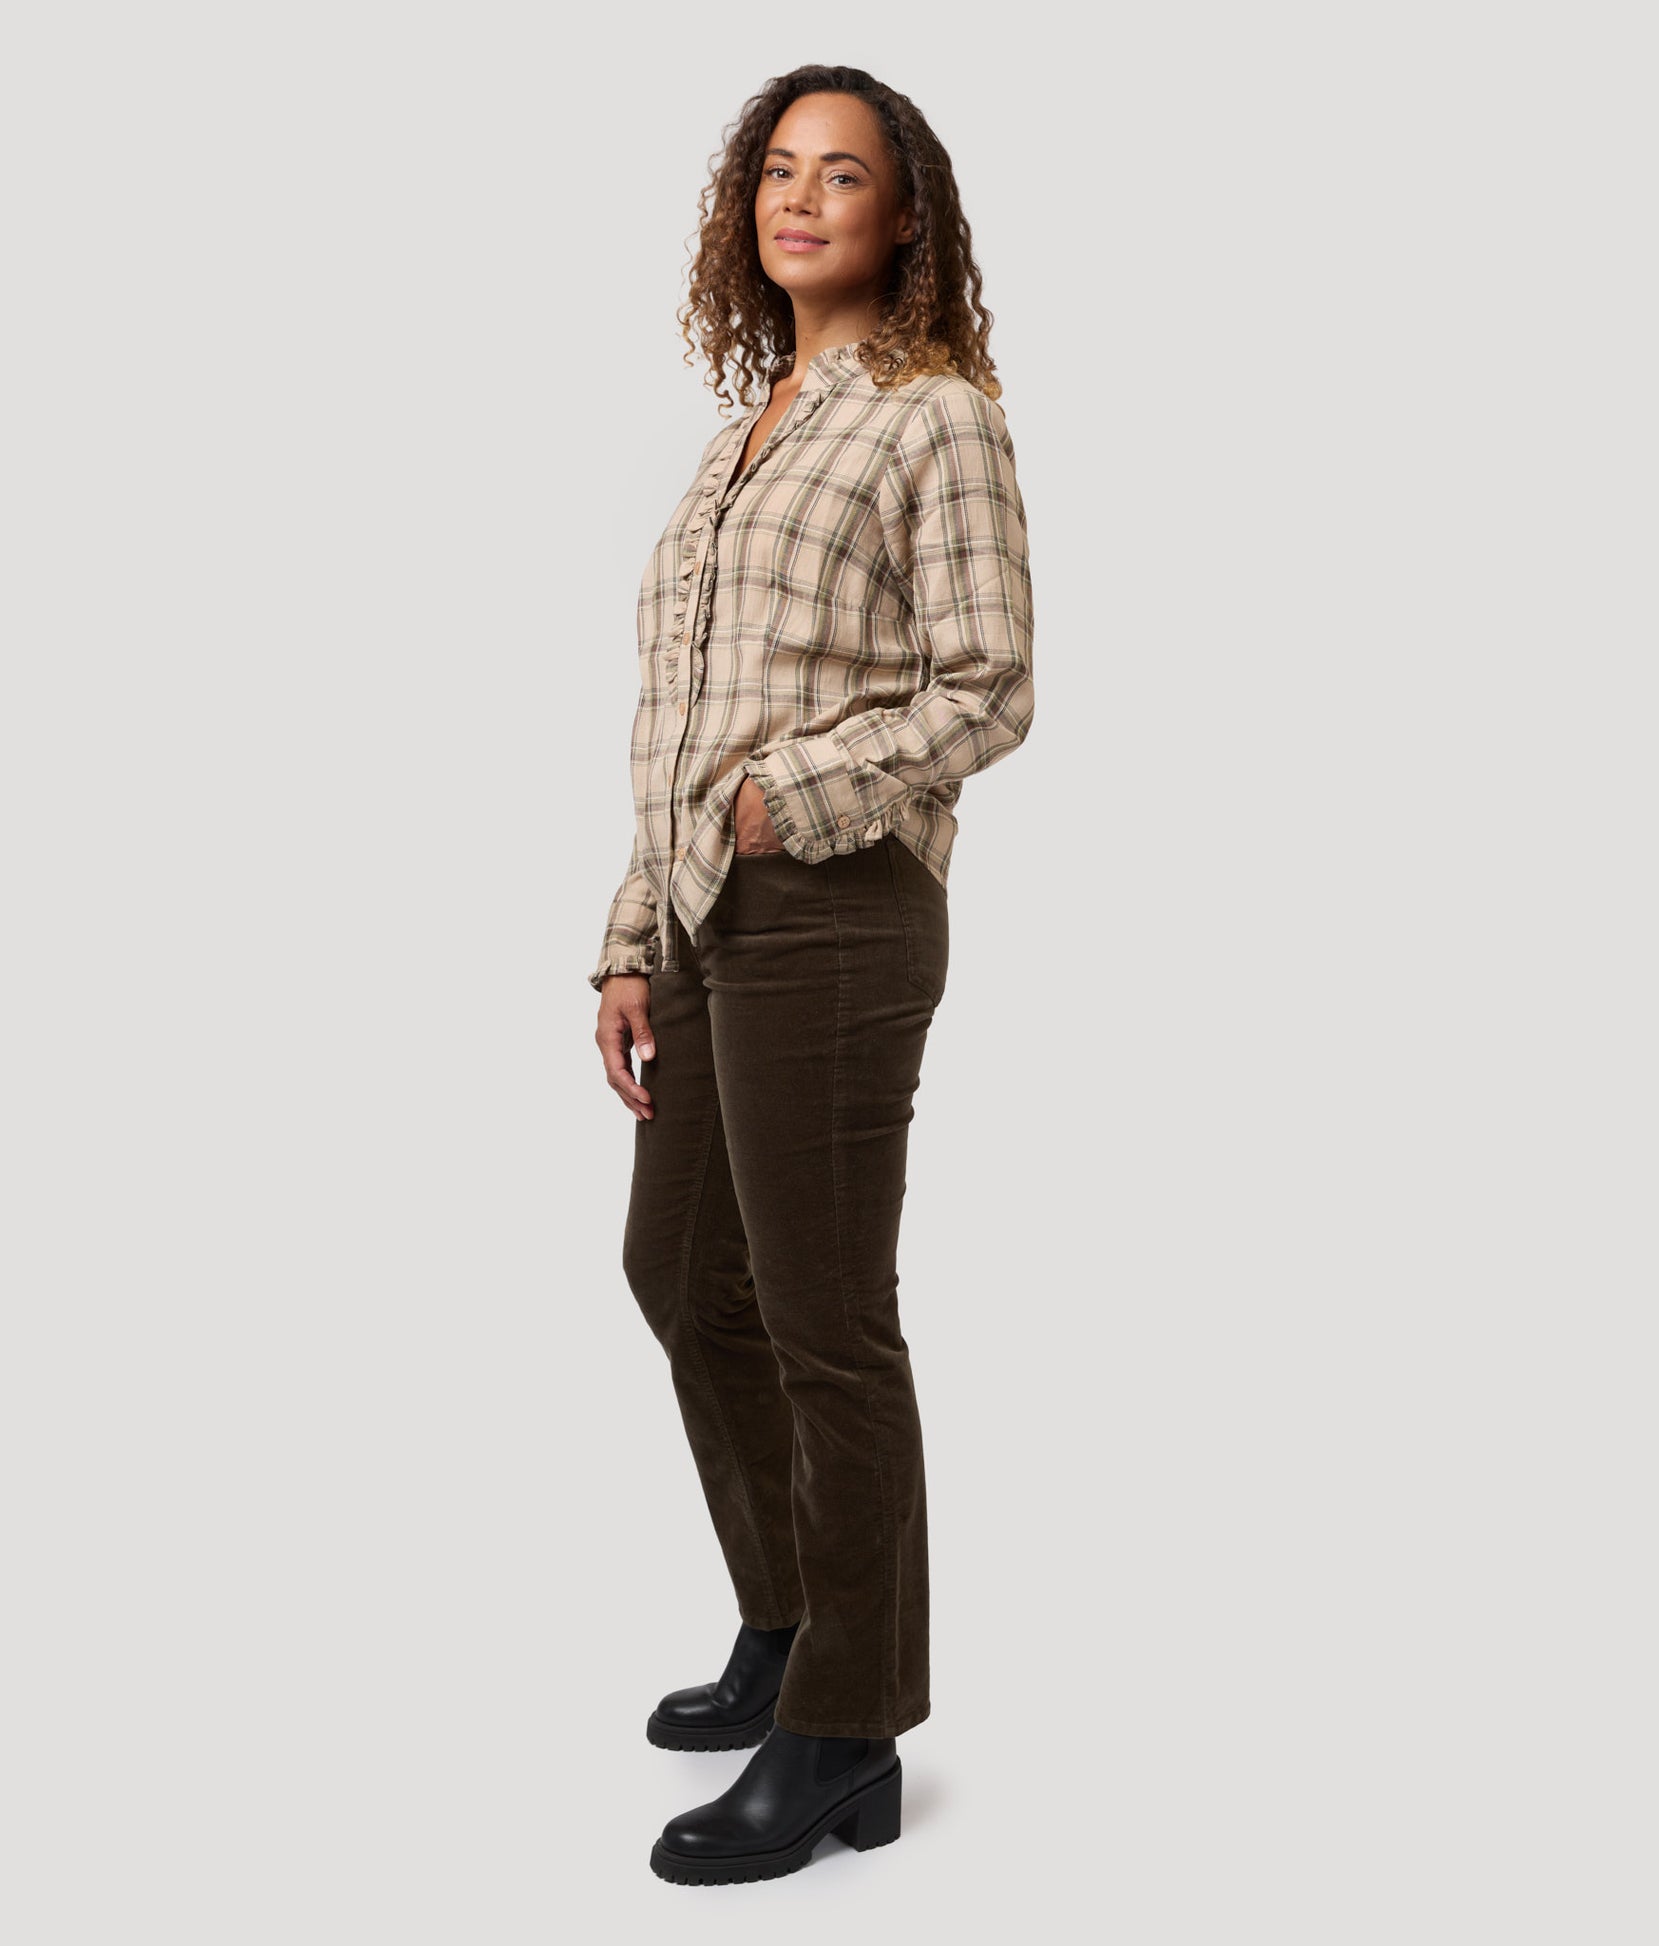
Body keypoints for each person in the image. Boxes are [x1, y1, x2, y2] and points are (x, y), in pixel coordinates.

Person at [588, 63, 1035, 1886]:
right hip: (710, 913)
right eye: (777, 169)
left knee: (823, 1310)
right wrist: (634, 933)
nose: (799, 198)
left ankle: (847, 1729)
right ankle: (790, 1621)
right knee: (681, 1271)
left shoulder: (934, 417)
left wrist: (796, 799)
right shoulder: (739, 438)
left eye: (841, 174)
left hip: (838, 910)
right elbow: (682, 722)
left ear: (902, 214)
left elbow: (987, 684)